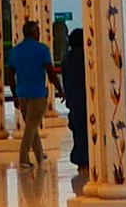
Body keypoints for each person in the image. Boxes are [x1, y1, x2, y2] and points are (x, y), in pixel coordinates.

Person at [7, 19, 53, 168]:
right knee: (31, 127)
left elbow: (10, 75)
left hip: (22, 93)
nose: (39, 34)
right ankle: (23, 157)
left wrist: (14, 95)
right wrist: (60, 88)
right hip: (37, 92)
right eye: (38, 31)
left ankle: (40, 155)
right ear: (33, 33)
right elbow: (50, 71)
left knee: (31, 125)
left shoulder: (15, 51)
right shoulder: (42, 49)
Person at [59, 18, 91, 173]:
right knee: (87, 130)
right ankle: (87, 158)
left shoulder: (67, 59)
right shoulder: (88, 57)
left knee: (78, 130)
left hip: (74, 99)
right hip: (87, 99)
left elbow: (65, 79)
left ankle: (80, 159)